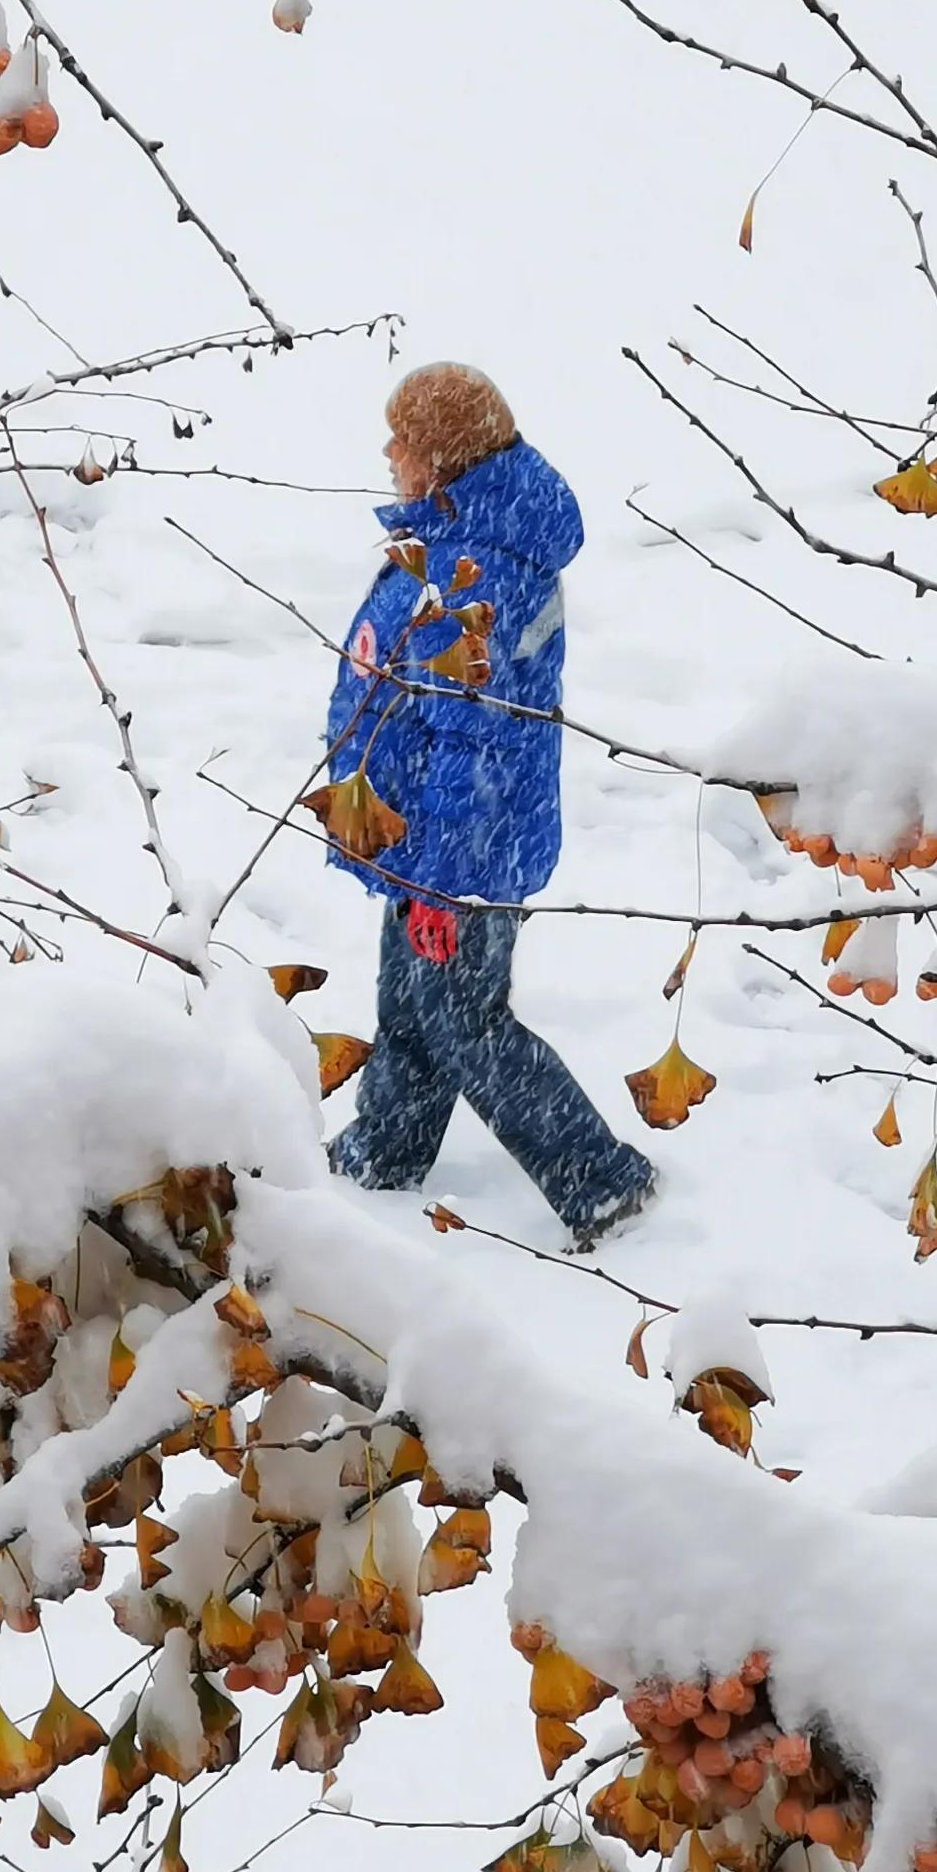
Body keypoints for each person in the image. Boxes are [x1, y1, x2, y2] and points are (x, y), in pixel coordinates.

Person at [319, 362, 656, 1245]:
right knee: (412, 1006)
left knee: (465, 1021)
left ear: (440, 459)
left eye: (402, 439)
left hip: (465, 847)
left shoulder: (479, 575)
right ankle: (385, 1149)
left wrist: (441, 882)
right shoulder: (461, 535)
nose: (387, 452)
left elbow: (478, 744)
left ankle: (598, 1179)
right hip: (428, 841)